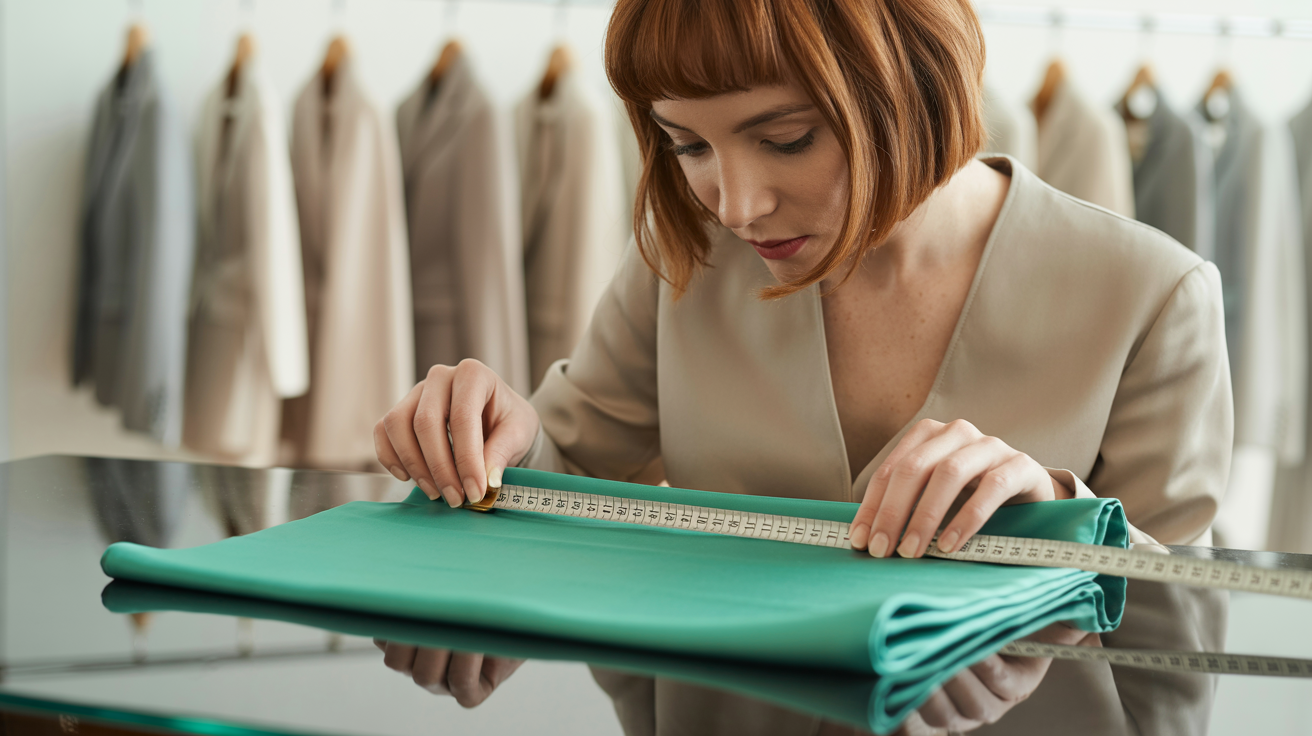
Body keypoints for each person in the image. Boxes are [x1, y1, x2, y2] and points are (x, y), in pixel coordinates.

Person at [372, 0, 1232, 732]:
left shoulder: (1150, 294)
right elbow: (569, 476)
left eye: (785, 139)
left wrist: (1067, 534)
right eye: (687, 146)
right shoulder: (683, 262)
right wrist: (495, 439)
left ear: (914, 83)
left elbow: (1184, 658)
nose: (735, 204)